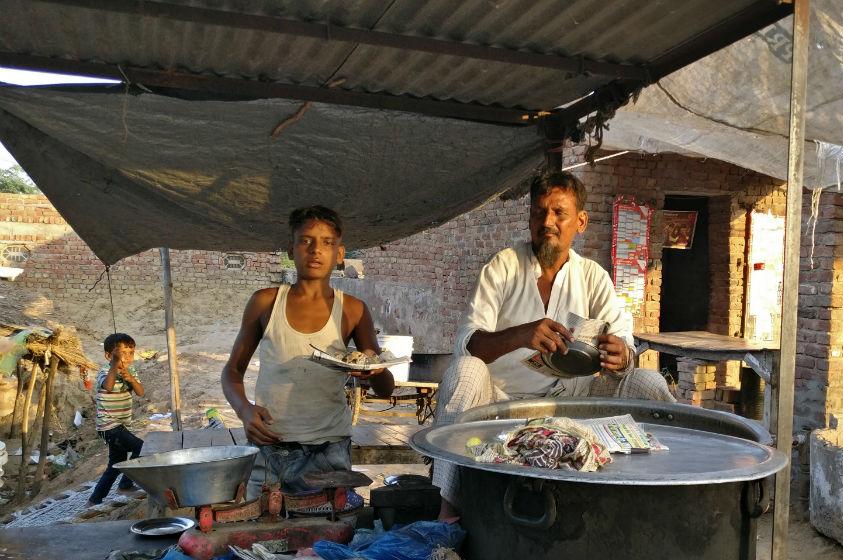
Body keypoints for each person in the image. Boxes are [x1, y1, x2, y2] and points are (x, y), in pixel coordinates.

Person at [433, 170, 674, 518]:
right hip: (501, 401)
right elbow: (468, 345)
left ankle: (657, 501)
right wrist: (519, 334)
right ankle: (448, 511)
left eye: (559, 213)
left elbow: (625, 343)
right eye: (539, 212)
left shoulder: (593, 277)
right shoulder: (502, 267)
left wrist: (622, 356)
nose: (547, 222)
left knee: (648, 383)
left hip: (576, 401)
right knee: (465, 371)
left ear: (581, 221)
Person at [222, 205, 394, 504]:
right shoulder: (265, 302)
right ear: (291, 249)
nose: (316, 250)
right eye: (306, 240)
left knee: (324, 538)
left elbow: (385, 387)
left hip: (327, 450)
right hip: (269, 446)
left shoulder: (352, 310)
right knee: (260, 532)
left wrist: (374, 371)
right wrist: (244, 410)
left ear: (340, 254)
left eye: (327, 242)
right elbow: (232, 372)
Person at [87, 333, 145, 506]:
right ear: (108, 356)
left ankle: (94, 499)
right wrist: (114, 365)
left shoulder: (131, 371)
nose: (127, 358)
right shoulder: (104, 371)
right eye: (121, 354)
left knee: (115, 464)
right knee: (141, 448)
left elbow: (141, 392)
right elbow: (109, 386)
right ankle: (125, 485)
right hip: (109, 425)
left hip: (120, 425)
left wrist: (131, 378)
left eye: (130, 353)